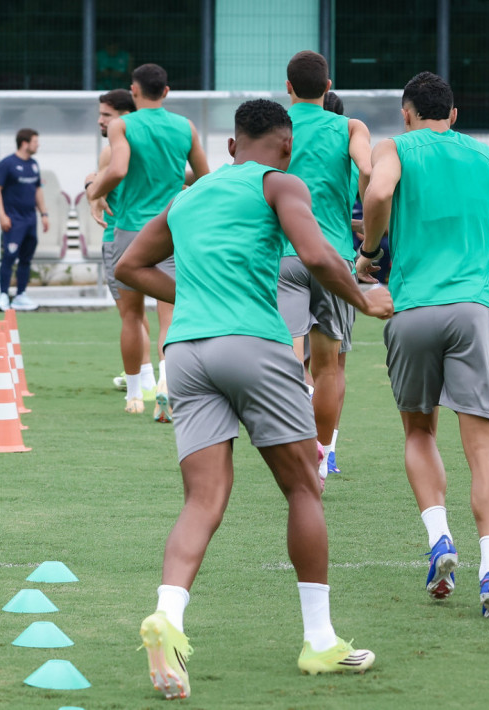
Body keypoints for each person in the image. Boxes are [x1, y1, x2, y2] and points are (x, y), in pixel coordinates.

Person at [115, 99, 391, 699]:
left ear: (234, 144)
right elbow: (317, 254)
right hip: (254, 345)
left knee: (203, 497)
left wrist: (191, 294)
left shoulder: (191, 194)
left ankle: (169, 617)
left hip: (185, 351)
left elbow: (130, 263)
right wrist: (366, 301)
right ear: (285, 148)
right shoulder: (281, 182)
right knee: (303, 485)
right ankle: (319, 640)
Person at [358, 71, 489, 618]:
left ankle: (440, 540)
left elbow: (379, 191)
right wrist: (483, 226)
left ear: (407, 113)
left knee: (420, 430)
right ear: (453, 115)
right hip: (474, 311)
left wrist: (371, 249)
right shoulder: (486, 157)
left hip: (414, 309)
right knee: (484, 451)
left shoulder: (394, 146)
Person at [87, 63, 209, 420]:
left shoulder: (123, 125)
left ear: (134, 91)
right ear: (166, 92)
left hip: (129, 231)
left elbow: (119, 169)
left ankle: (136, 395)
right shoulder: (185, 127)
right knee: (170, 316)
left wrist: (94, 191)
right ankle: (168, 385)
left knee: (132, 316)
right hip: (170, 230)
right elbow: (203, 176)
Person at [277, 51, 372, 483]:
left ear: (288, 87)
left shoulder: (276, 129)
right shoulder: (349, 127)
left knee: (287, 359)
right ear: (328, 85)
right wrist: (369, 228)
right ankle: (322, 459)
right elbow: (368, 170)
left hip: (283, 255)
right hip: (332, 257)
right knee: (330, 367)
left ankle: (294, 445)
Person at [85, 89, 152, 393]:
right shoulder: (152, 144)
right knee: (150, 313)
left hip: (119, 236)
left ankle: (143, 377)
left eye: (106, 116)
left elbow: (103, 185)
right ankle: (155, 376)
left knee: (130, 314)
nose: (100, 121)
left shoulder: (114, 149)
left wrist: (91, 186)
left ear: (125, 117)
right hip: (155, 235)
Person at [0, 128, 48, 311]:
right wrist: (2, 215)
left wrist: (44, 214)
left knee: (26, 259)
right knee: (9, 257)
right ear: (25, 143)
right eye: (35, 141)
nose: (37, 144)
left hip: (31, 220)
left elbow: (37, 189)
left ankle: (21, 295)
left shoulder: (33, 164)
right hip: (13, 220)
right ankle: (2, 296)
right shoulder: (7, 164)